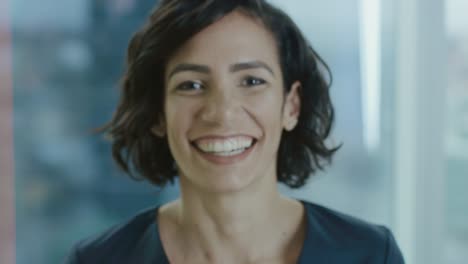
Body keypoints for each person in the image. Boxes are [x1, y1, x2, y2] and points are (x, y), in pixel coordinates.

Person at [64, 0, 405, 263]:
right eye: (192, 85)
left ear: (291, 106)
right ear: (157, 113)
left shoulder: (370, 255)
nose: (222, 113)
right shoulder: (100, 260)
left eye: (252, 81)